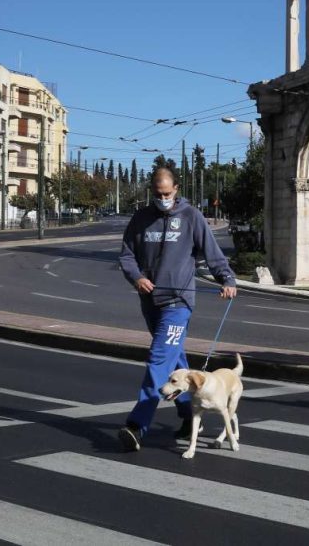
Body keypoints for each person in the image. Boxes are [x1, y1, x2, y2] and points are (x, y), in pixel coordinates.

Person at [117, 167, 237, 451]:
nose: (163, 199)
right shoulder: (141, 218)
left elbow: (212, 252)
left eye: (167, 194)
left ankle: (137, 425)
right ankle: (187, 417)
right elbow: (126, 255)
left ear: (177, 189)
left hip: (178, 304)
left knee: (159, 360)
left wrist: (227, 279)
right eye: (158, 194)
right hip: (150, 301)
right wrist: (137, 277)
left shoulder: (190, 216)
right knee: (176, 362)